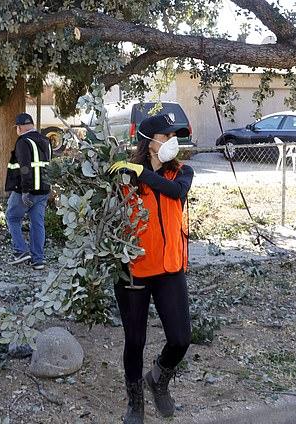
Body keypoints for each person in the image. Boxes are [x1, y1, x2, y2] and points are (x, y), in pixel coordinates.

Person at [108, 114, 193, 424]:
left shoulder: (182, 173)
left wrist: (141, 172)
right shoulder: (124, 180)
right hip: (134, 271)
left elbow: (175, 194)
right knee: (135, 341)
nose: (173, 141)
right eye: (166, 135)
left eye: (175, 136)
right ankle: (135, 403)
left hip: (170, 267)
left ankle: (158, 377)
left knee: (181, 339)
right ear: (150, 141)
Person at [5, 112, 52, 270]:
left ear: (20, 127)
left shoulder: (23, 142)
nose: (17, 130)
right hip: (44, 190)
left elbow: (25, 167)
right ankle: (38, 260)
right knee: (37, 224)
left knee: (12, 218)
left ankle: (21, 251)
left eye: (17, 127)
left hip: (26, 191)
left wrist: (25, 191)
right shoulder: (46, 140)